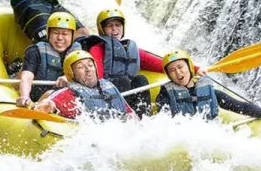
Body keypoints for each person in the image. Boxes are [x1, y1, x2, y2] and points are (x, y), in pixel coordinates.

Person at [73, 8, 201, 117]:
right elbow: (96, 76)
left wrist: (194, 69)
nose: (114, 29)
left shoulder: (131, 49)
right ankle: (124, 116)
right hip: (107, 95)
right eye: (109, 26)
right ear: (102, 29)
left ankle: (141, 116)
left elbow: (162, 64)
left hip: (128, 94)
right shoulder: (98, 48)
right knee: (122, 80)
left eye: (118, 25)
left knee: (141, 80)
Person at [157, 50, 261, 125]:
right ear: (169, 75)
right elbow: (159, 120)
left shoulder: (209, 91)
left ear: (190, 67)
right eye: (172, 70)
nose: (178, 73)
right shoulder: (166, 94)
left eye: (181, 67)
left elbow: (240, 106)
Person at [34, 50, 134, 120]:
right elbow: (50, 104)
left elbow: (131, 115)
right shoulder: (68, 95)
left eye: (90, 65)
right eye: (80, 67)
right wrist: (47, 106)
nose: (88, 69)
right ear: (71, 74)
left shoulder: (108, 87)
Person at [16, 12, 78, 107]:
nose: (60, 38)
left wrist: (68, 77)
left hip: (60, 98)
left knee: (51, 93)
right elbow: (27, 77)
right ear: (48, 33)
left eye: (65, 34)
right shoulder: (35, 51)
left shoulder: (79, 53)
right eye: (55, 33)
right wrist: (25, 96)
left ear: (72, 36)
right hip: (37, 96)